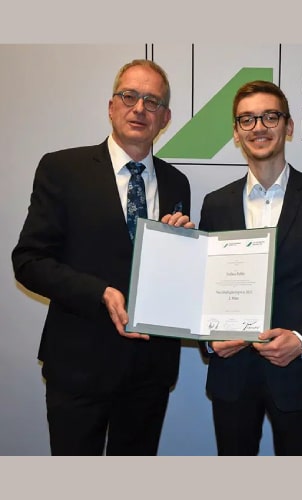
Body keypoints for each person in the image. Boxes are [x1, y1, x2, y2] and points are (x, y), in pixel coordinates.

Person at [12, 59, 194, 455]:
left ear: (165, 118)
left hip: (150, 369)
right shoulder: (62, 168)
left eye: (152, 101)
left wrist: (185, 252)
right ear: (112, 105)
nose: (139, 108)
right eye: (129, 96)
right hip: (79, 364)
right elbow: (29, 261)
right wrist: (99, 293)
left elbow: (174, 278)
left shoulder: (178, 182)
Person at [198, 80, 302, 455]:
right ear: (236, 133)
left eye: (270, 116)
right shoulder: (215, 204)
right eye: (247, 120)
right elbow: (202, 290)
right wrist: (209, 339)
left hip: (299, 375)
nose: (259, 127)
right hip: (231, 375)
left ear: (288, 126)